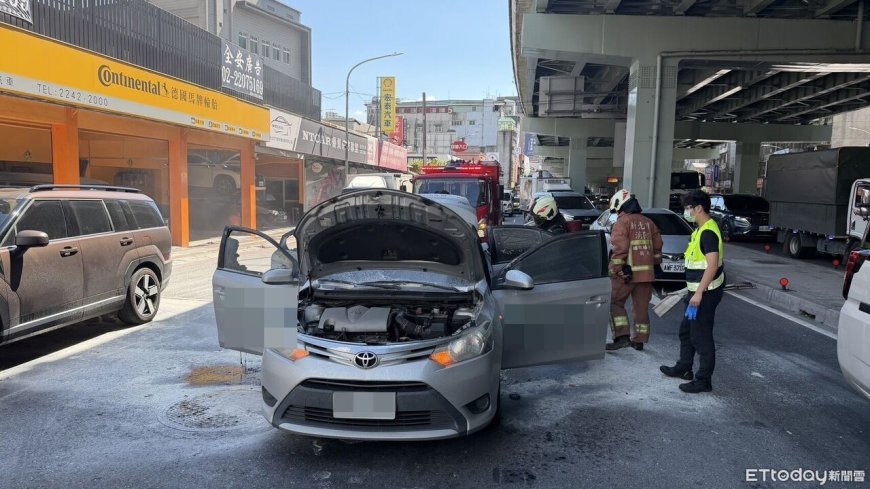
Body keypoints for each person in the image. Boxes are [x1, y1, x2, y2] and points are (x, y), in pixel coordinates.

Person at [660, 190, 725, 394]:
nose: (686, 212)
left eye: (688, 208)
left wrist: (698, 294)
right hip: (696, 291)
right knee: (686, 332)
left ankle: (703, 380)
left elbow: (712, 265)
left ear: (698, 208)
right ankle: (684, 367)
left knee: (701, 337)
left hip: (704, 294)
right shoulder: (699, 230)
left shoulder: (707, 232)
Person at [605, 189, 663, 352]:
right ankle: (639, 340)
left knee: (615, 302)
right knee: (641, 308)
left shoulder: (622, 223)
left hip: (627, 274)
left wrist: (615, 269)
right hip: (646, 275)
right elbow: (658, 246)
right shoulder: (648, 222)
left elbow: (620, 249)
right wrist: (655, 266)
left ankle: (622, 337)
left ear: (620, 206)